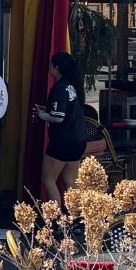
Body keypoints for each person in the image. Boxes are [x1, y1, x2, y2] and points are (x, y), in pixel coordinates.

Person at [34, 52, 86, 203]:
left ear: (56, 68)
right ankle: (77, 219)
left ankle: (56, 219)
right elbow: (66, 110)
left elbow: (58, 117)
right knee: (70, 181)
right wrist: (46, 109)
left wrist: (41, 115)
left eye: (51, 64)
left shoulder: (59, 87)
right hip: (78, 140)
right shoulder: (72, 86)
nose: (49, 67)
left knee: (48, 179)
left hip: (63, 141)